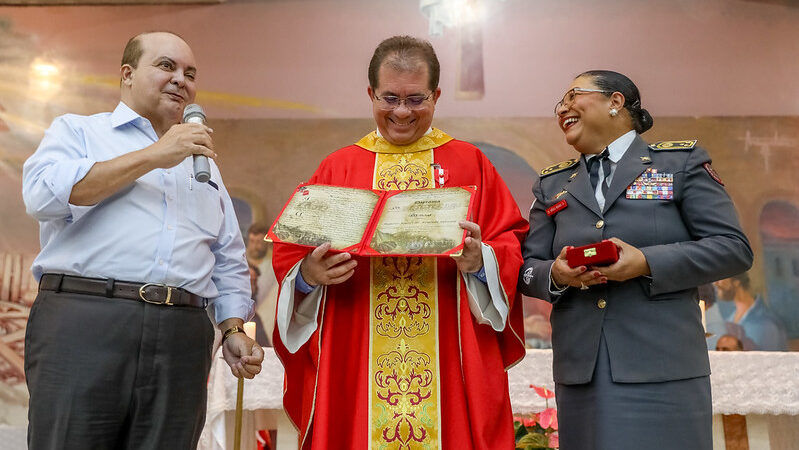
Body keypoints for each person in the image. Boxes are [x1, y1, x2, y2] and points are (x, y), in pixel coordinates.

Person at [271, 36, 528, 449]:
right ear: (370, 93)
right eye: (389, 98)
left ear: (437, 95)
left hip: (447, 359)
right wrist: (308, 275)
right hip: (354, 355)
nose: (402, 112)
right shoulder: (339, 166)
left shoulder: (469, 163)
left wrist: (483, 261)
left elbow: (510, 240)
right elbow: (291, 250)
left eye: (416, 99)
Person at [22, 31, 263, 449]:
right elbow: (42, 196)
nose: (181, 80)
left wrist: (231, 329)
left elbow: (226, 257)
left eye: (190, 73)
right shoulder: (78, 132)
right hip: (86, 320)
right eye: (166, 66)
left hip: (181, 335)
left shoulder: (204, 165)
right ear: (128, 74)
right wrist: (156, 155)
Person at [518, 70, 753, 450]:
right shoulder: (552, 184)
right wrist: (558, 274)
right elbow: (527, 269)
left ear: (615, 102)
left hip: (663, 369)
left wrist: (645, 262)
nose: (562, 107)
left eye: (573, 94)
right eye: (559, 103)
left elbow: (733, 248)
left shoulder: (678, 163)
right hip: (584, 375)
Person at [714, 272, 787, 351]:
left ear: (736, 282)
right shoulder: (729, 319)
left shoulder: (766, 323)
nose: (715, 283)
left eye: (721, 278)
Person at [246, 222, 279, 340]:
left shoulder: (274, 264)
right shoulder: (240, 258)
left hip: (265, 316)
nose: (254, 246)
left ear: (267, 243)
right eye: (252, 241)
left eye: (259, 242)